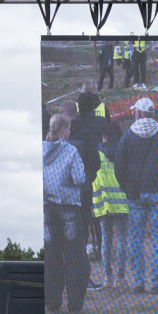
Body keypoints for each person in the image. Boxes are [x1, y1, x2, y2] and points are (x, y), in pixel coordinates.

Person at [114, 97, 158, 295]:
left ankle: (138, 282)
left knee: (136, 237)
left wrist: (126, 188)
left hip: (135, 194)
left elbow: (119, 165)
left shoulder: (127, 136)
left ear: (139, 113)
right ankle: (157, 282)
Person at [43, 113, 89, 313]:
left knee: (51, 257)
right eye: (68, 128)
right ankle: (75, 303)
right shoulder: (71, 151)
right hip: (69, 207)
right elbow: (79, 178)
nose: (70, 132)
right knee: (75, 257)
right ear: (63, 130)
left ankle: (52, 302)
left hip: (47, 206)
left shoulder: (40, 149)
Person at [70, 81, 104, 269]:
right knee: (97, 213)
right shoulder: (99, 120)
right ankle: (99, 245)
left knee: (82, 215)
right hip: (96, 172)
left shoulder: (76, 124)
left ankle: (82, 249)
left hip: (80, 175)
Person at [91, 123, 129, 288]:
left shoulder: (96, 153)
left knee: (106, 240)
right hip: (122, 203)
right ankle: (120, 278)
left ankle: (107, 277)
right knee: (122, 240)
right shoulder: (123, 152)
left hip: (104, 203)